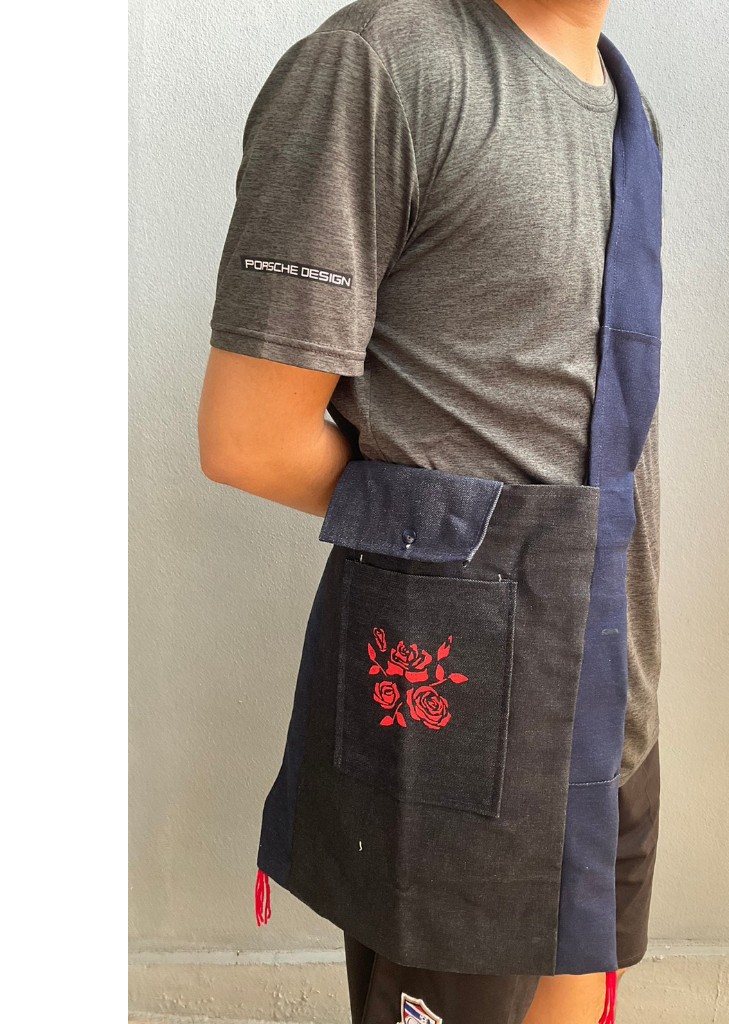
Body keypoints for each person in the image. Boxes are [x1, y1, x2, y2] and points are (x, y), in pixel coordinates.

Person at [198, 1, 664, 1022]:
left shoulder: (625, 106)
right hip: (464, 721)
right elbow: (250, 437)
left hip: (611, 706)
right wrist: (496, 548)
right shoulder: (385, 64)